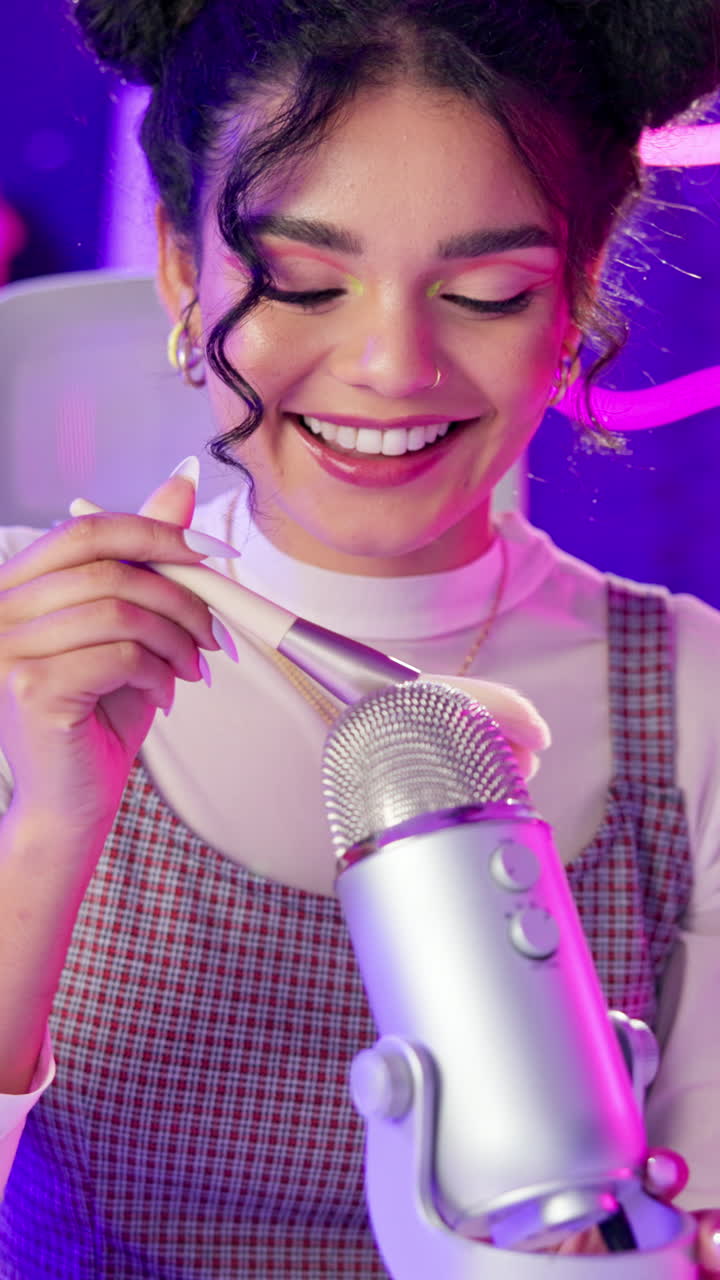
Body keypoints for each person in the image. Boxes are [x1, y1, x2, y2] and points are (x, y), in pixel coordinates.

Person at [1, 0, 720, 1273]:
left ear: (577, 294)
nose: (392, 364)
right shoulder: (28, 646)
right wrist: (51, 821)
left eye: (488, 293)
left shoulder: (694, 699)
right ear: (182, 267)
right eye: (306, 282)